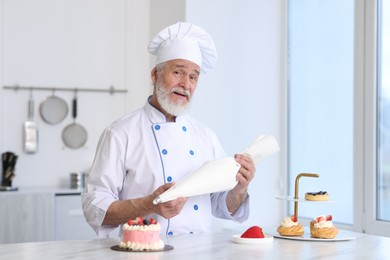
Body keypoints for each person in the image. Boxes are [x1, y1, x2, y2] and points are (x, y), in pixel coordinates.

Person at [81, 22, 256, 238]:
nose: (186, 84)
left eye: (193, 77)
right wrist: (148, 205)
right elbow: (95, 208)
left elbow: (221, 204)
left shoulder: (205, 136)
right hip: (144, 252)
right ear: (155, 75)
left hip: (199, 253)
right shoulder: (120, 133)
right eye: (178, 72)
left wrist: (239, 188)